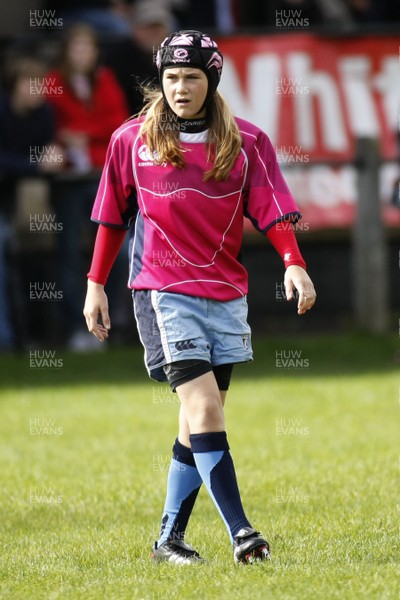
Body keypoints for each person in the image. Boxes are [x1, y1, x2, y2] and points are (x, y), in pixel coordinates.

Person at [83, 30, 316, 564]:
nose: (180, 88)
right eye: (171, 78)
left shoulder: (247, 142)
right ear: (159, 82)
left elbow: (272, 209)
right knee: (205, 406)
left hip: (225, 292)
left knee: (196, 421)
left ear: (211, 82)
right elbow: (112, 217)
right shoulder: (131, 140)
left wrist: (295, 263)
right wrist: (95, 284)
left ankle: (169, 540)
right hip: (162, 292)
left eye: (191, 77)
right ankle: (242, 533)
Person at [46, 23, 129, 349]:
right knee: (68, 254)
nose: (83, 54)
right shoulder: (53, 82)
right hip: (68, 182)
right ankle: (76, 328)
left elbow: (118, 125)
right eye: (76, 47)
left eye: (88, 47)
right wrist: (84, 135)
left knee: (121, 252)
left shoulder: (105, 80)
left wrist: (83, 134)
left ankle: (117, 323)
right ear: (66, 51)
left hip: (101, 179)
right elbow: (52, 127)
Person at [0, 55, 60, 350]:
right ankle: (8, 339)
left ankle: (41, 335)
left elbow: (50, 154)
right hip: (9, 199)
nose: (38, 89)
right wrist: (35, 164)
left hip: (25, 201)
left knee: (37, 260)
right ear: (14, 85)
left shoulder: (45, 114)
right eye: (30, 83)